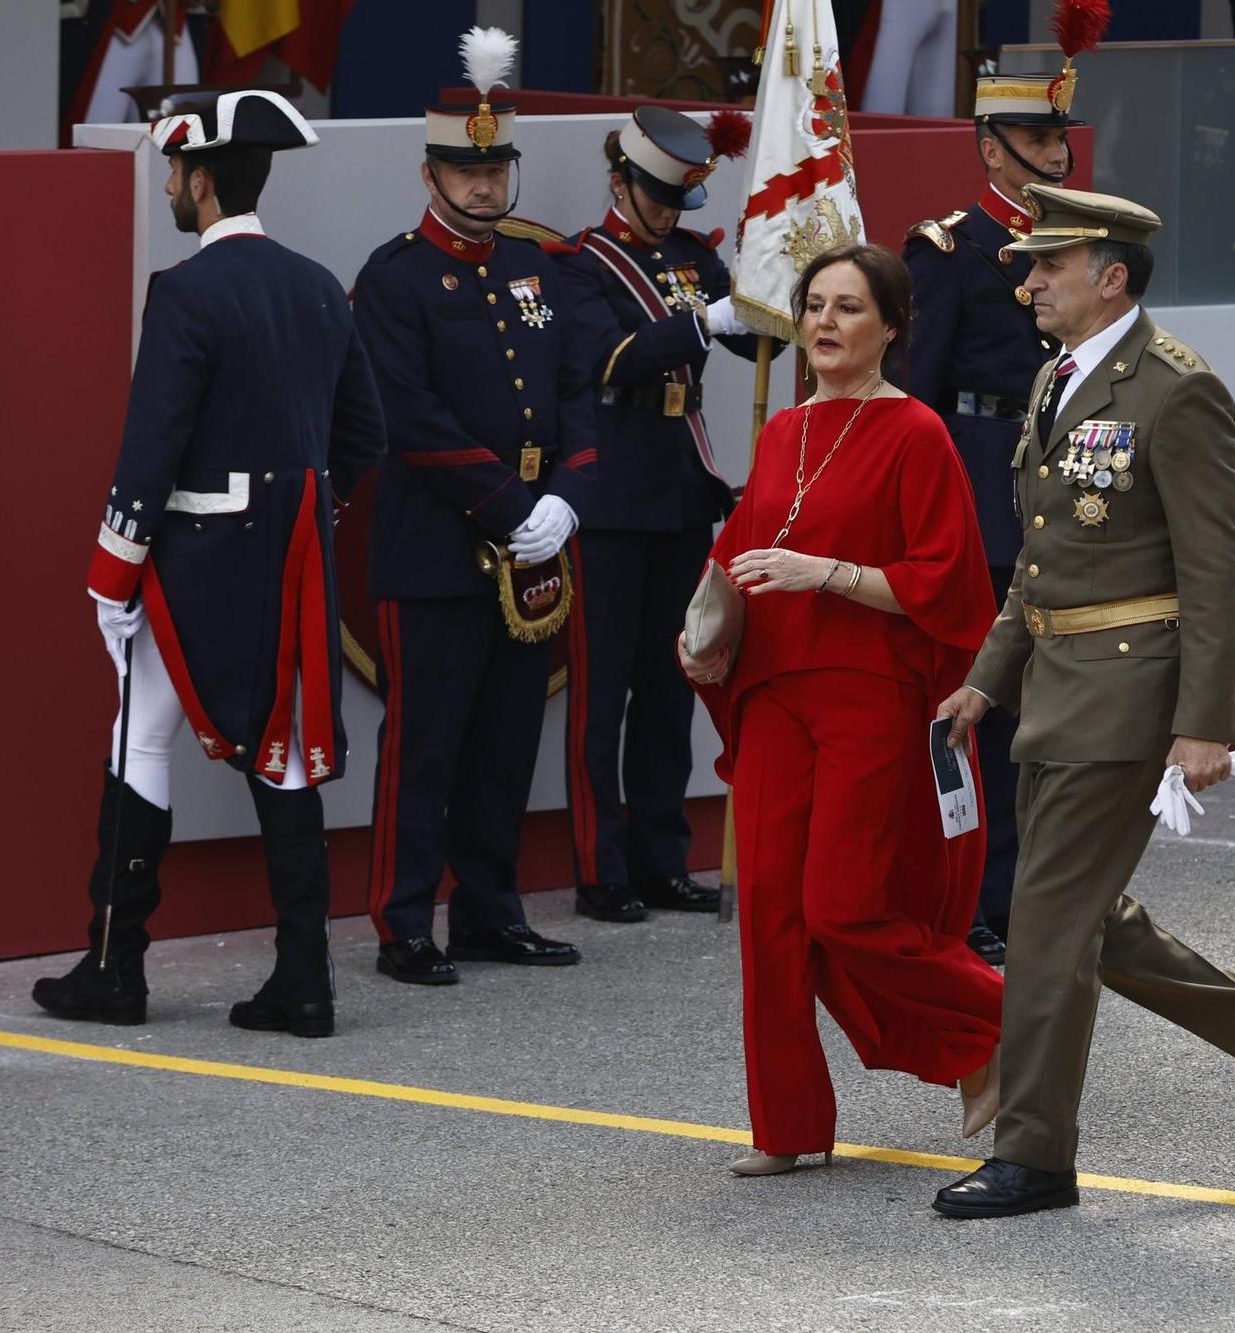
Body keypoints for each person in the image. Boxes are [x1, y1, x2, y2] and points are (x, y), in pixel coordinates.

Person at [930, 185, 1235, 1219]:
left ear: (1109, 276)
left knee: (1046, 917)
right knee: (1079, 912)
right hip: (1057, 686)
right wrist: (987, 675)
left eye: (1046, 269)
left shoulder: (1173, 390)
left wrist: (1206, 718)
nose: (1027, 286)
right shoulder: (1055, 381)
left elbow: (1220, 566)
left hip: (1127, 691)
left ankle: (1033, 1154)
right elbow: (1039, 560)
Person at [33, 90, 386, 1039]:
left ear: (199, 178)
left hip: (190, 565)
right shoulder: (318, 284)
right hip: (291, 563)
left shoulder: (186, 291)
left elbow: (151, 448)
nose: (170, 187)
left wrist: (112, 575)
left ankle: (116, 965)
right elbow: (365, 432)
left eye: (175, 174)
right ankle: (304, 976)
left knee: (139, 736)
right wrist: (305, 508)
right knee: (282, 754)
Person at [677, 245, 1004, 1176]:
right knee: (771, 915)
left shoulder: (917, 434)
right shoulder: (782, 433)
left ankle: (1006, 1022)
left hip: (869, 695)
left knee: (844, 907)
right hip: (776, 690)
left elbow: (949, 583)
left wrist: (828, 575)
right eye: (814, 305)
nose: (824, 323)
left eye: (848, 308)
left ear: (891, 327)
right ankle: (787, 1127)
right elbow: (741, 554)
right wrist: (703, 631)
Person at [352, 26, 586, 985]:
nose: (484, 185)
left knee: (505, 739)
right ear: (430, 171)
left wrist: (567, 494)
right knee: (426, 742)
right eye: (464, 168)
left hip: (536, 541)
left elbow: (577, 391)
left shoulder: (537, 272)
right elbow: (406, 415)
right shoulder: (395, 276)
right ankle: (404, 919)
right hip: (440, 546)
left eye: (496, 168)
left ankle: (489, 912)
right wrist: (506, 504)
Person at [552, 107, 773, 925]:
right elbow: (608, 357)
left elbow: (756, 340)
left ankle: (659, 856)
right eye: (656, 196)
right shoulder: (582, 265)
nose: (670, 212)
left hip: (682, 489)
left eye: (679, 199)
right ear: (621, 184)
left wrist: (767, 282)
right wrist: (705, 320)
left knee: (672, 684)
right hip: (612, 497)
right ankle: (599, 867)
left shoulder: (691, 259)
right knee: (603, 694)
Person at [904, 69, 1082, 965]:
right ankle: (971, 894)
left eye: (1059, 142)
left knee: (1049, 712)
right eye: (1038, 144)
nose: (1055, 155)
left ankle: (1025, 893)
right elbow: (917, 397)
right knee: (985, 708)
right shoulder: (949, 249)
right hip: (984, 493)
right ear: (991, 149)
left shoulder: (1077, 246)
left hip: (1064, 491)